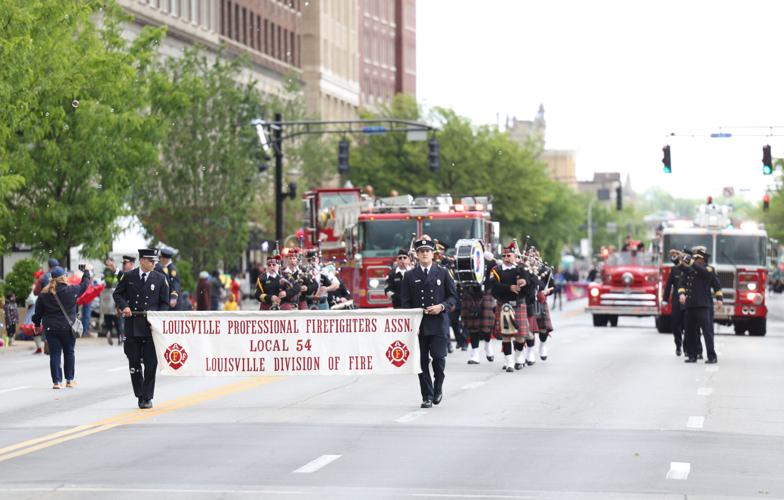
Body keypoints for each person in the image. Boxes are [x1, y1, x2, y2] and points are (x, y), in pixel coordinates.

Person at [400, 238, 458, 408]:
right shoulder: (410, 276)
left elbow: (453, 297)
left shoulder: (443, 273)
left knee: (439, 358)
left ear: (433, 254)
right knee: (422, 361)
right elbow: (405, 302)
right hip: (420, 324)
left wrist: (441, 306)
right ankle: (427, 395)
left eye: (427, 251)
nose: (425, 253)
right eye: (421, 251)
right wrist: (413, 320)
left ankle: (438, 387)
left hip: (439, 321)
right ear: (416, 255)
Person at [113, 248, 170, 409]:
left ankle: (147, 396)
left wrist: (157, 317)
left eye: (155, 261)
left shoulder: (160, 278)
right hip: (132, 325)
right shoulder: (129, 276)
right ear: (142, 261)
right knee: (134, 362)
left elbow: (164, 302)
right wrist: (124, 306)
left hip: (151, 327)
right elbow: (118, 294)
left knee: (151, 363)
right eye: (151, 261)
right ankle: (139, 393)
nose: (154, 264)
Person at [32, 265, 91, 389]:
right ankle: (69, 380)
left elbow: (38, 313)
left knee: (55, 354)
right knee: (69, 352)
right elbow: (85, 285)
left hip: (50, 328)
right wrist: (86, 271)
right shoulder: (71, 290)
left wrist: (37, 325)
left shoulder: (44, 294)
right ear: (63, 277)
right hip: (67, 328)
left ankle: (56, 382)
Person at [489, 242, 531, 372]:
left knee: (520, 336)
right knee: (506, 335)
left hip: (518, 304)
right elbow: (494, 287)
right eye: (504, 255)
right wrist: (509, 287)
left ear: (514, 256)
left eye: (509, 255)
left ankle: (518, 357)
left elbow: (530, 285)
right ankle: (509, 362)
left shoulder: (521, 269)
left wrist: (524, 282)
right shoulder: (497, 270)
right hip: (504, 304)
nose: (506, 258)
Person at [677, 246, 722, 364]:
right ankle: (692, 355)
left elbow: (716, 286)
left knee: (707, 333)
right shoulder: (690, 270)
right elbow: (682, 273)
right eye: (694, 258)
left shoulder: (709, 270)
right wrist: (676, 258)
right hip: (690, 306)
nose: (696, 260)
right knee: (690, 332)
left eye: (698, 258)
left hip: (703, 306)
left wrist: (719, 299)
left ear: (703, 260)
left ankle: (712, 356)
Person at [663, 249, 686, 356]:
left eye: (680, 256)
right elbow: (668, 286)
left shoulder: (690, 268)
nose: (678, 257)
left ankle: (689, 348)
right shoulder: (674, 270)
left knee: (689, 326)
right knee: (675, 324)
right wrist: (665, 300)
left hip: (689, 301)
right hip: (677, 301)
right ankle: (678, 345)